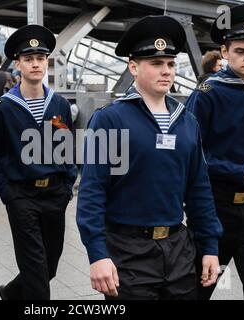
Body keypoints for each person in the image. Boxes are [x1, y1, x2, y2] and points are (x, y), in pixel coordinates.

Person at [76, 16, 223, 300]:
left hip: (179, 249)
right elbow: (93, 191)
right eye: (156, 64)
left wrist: (210, 247)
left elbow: (199, 191)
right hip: (127, 252)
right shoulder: (109, 120)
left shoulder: (187, 122)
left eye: (170, 63)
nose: (166, 71)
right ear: (133, 67)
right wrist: (97, 254)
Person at [185, 4, 244, 300]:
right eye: (240, 51)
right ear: (224, 52)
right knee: (197, 291)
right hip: (215, 209)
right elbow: (193, 158)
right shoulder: (206, 95)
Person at [0, 24, 78, 300]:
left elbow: (68, 150)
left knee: (49, 266)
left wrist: (66, 184)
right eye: (28, 59)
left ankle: (11, 293)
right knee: (36, 274)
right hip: (21, 196)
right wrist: (9, 194)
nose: (35, 64)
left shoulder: (59, 104)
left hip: (54, 194)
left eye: (40, 58)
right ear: (18, 64)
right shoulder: (3, 108)